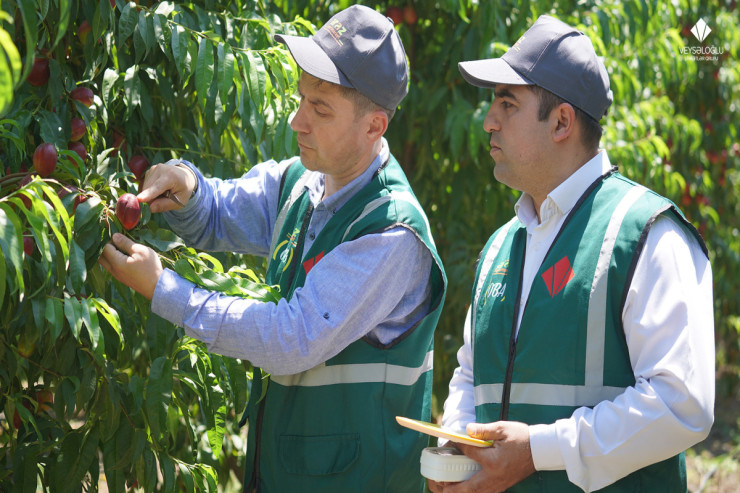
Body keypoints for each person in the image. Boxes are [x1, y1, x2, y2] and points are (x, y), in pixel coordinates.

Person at [98, 5, 446, 492]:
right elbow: (218, 213)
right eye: (301, 98)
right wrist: (188, 187)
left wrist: (166, 290)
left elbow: (292, 338)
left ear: (374, 127)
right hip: (286, 473)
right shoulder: (301, 184)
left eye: (320, 109)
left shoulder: (390, 235)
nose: (296, 120)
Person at [429, 14, 714, 493]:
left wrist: (540, 451)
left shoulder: (645, 233)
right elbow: (470, 373)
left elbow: (683, 402)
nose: (488, 121)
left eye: (506, 103)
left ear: (561, 121)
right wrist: (458, 442)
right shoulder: (501, 246)